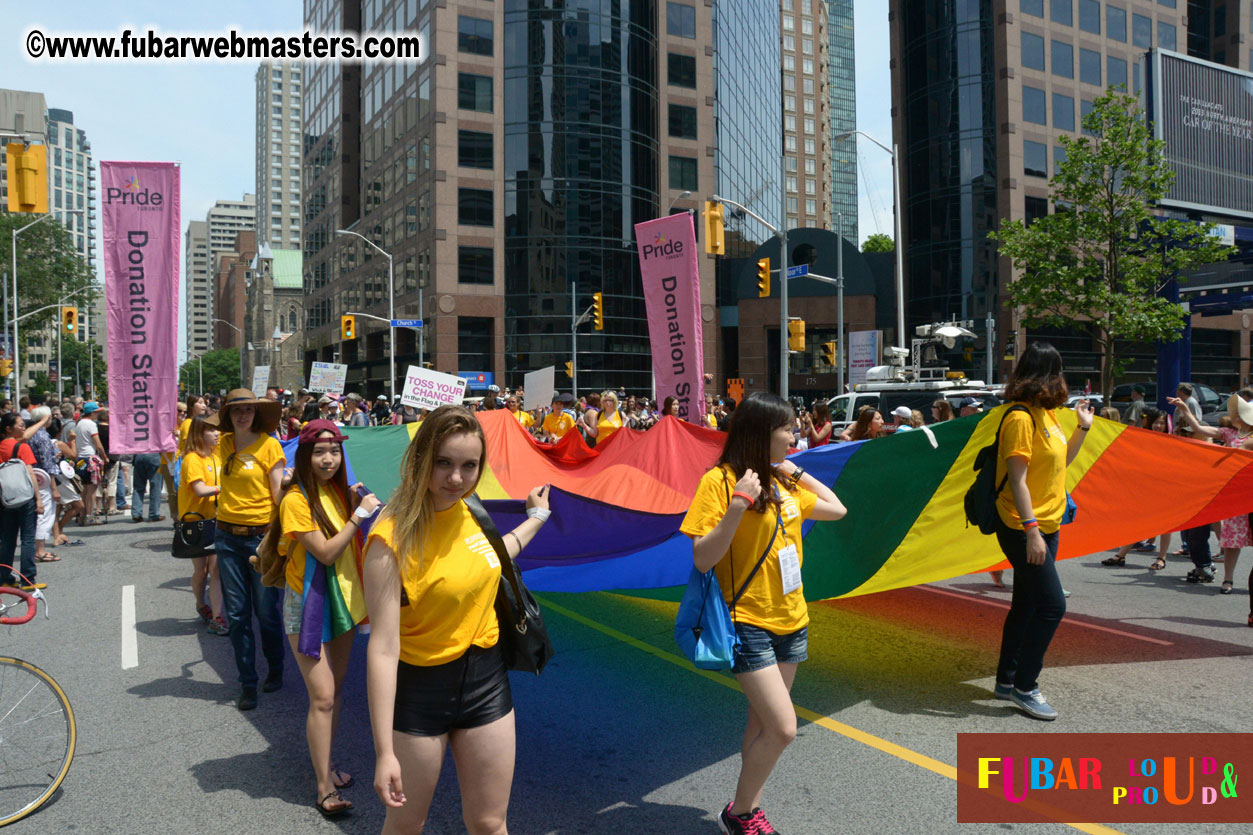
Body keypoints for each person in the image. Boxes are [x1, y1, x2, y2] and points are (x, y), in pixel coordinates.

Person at [362, 405, 552, 834]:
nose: (456, 478)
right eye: (443, 463)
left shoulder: (472, 512)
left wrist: (536, 519)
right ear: (421, 459)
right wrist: (383, 750)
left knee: (490, 823)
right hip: (420, 692)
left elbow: (494, 557)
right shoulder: (389, 538)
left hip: (486, 682)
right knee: (407, 825)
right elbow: (383, 647)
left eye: (469, 466)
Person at [680, 392, 847, 834]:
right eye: (788, 429)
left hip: (792, 619)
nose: (795, 435)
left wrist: (797, 470)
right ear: (760, 433)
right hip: (746, 620)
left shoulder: (785, 481)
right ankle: (740, 813)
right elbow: (702, 558)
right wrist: (737, 504)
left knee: (762, 728)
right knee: (784, 728)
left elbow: (836, 508)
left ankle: (747, 807)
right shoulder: (718, 481)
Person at [271, 419, 380, 817]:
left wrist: (361, 503)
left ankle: (329, 764)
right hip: (308, 605)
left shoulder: (342, 493)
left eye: (335, 451)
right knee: (323, 696)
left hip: (344, 602)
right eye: (320, 451)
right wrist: (359, 517)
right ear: (305, 455)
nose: (329, 458)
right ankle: (322, 789)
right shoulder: (295, 500)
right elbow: (327, 552)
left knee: (334, 696)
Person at [991, 342, 1093, 721]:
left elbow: (1061, 462)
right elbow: (1017, 480)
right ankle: (1025, 686)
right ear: (1049, 373)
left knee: (1028, 604)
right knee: (1053, 605)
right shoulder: (1019, 418)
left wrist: (1082, 427)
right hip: (1023, 525)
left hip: (1048, 523)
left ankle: (1006, 680)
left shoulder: (1048, 415)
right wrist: (1031, 530)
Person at [215, 389, 288, 710]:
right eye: (236, 411)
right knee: (236, 614)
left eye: (248, 410)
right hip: (226, 537)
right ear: (229, 416)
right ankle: (247, 682)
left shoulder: (269, 445)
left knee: (266, 612)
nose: (243, 415)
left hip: (261, 537)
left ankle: (275, 667)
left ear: (256, 414)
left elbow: (276, 494)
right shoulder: (223, 444)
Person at [1168, 390, 1253, 600]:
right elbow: (1197, 428)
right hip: (1235, 496)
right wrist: (1184, 409)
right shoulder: (1228, 433)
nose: (1234, 416)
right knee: (1232, 541)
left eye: (1238, 413)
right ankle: (1228, 579)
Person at [180, 415, 227, 635]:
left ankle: (218, 617)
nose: (217, 434)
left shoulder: (217, 457)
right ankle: (201, 604)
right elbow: (199, 490)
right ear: (200, 434)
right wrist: (225, 490)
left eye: (218, 430)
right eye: (212, 431)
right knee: (201, 570)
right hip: (195, 523)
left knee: (216, 570)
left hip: (217, 520)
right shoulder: (192, 459)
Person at [0, 413, 45, 590]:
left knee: (8, 539)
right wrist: (39, 499)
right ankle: (28, 579)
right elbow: (31, 475)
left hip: (5, 499)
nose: (23, 427)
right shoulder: (21, 447)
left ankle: (3, 577)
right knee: (27, 538)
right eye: (19, 425)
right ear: (8, 428)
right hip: (25, 498)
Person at [73, 402, 108, 525]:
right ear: (92, 412)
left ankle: (82, 516)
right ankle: (90, 516)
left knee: (83, 490)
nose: (98, 414)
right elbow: (98, 444)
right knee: (92, 489)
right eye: (97, 412)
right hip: (90, 458)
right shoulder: (91, 424)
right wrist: (104, 456)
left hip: (80, 459)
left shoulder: (79, 423)